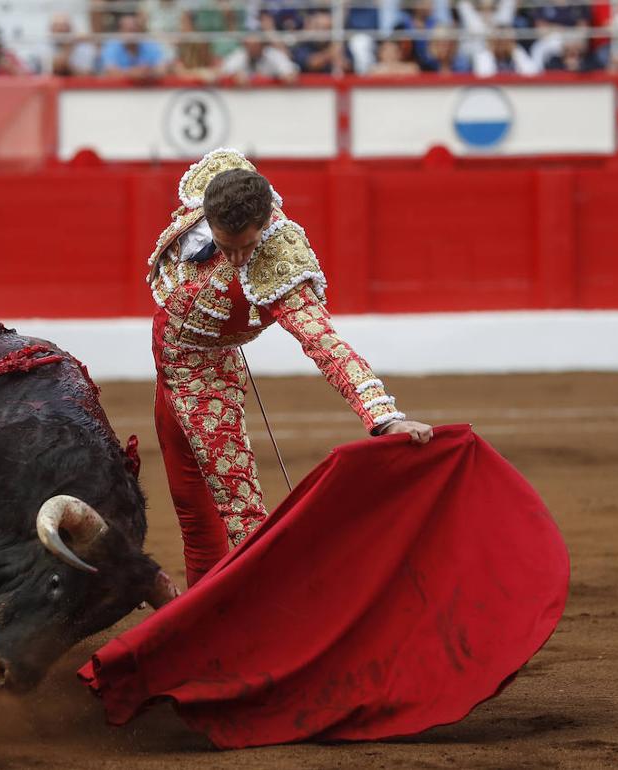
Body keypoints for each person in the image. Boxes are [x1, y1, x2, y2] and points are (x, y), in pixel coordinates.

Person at [146, 148, 433, 585]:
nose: (239, 259)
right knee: (190, 506)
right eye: (226, 246)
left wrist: (384, 418)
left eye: (246, 247)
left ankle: (254, 617)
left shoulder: (280, 265)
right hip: (168, 370)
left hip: (207, 381)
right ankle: (200, 613)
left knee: (241, 518)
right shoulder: (219, 186)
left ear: (264, 225)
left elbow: (325, 344)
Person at [100, 12, 167, 78]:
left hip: (147, 87)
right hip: (118, 88)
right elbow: (111, 72)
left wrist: (149, 72)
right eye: (128, 30)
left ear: (140, 30)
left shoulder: (150, 44)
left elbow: (162, 70)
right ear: (120, 30)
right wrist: (134, 73)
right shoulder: (111, 46)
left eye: (135, 29)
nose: (132, 34)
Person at [218, 32, 299, 82]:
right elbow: (222, 72)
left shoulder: (274, 55)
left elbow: (290, 73)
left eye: (254, 46)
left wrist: (282, 77)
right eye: (248, 46)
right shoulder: (240, 55)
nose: (251, 49)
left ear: (263, 46)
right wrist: (234, 76)